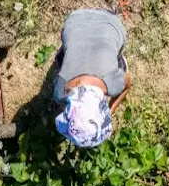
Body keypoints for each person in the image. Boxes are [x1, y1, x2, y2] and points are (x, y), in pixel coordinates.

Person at [52, 8, 132, 148]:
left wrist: (109, 110)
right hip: (75, 20)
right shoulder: (60, 91)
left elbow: (127, 82)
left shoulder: (113, 85)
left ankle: (116, 58)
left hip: (111, 23)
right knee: (63, 56)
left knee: (117, 60)